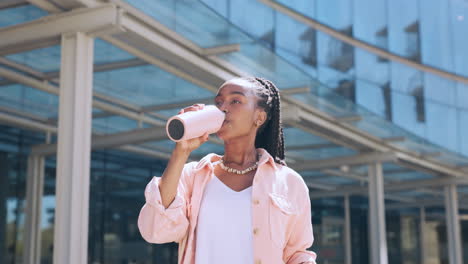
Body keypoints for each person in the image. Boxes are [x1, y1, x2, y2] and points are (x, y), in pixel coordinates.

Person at [137, 77, 317, 264]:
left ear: (260, 117)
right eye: (218, 102)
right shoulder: (192, 175)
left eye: (235, 101)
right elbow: (156, 230)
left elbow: (296, 254)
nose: (223, 107)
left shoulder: (289, 182)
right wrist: (181, 152)